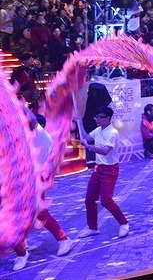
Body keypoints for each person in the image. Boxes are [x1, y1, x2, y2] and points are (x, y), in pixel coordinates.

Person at [10, 111, 76, 271]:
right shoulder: (24, 134)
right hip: (18, 181)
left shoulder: (41, 136)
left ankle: (63, 239)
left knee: (39, 213)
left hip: (34, 182)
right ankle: (21, 249)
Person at [78, 106, 130, 238]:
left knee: (106, 200)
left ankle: (124, 223)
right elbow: (86, 137)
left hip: (110, 169)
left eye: (99, 117)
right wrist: (79, 123)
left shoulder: (112, 132)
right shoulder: (98, 130)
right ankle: (93, 228)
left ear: (107, 118)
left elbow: (106, 151)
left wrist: (89, 147)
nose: (97, 120)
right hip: (98, 168)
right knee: (89, 199)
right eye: (96, 117)